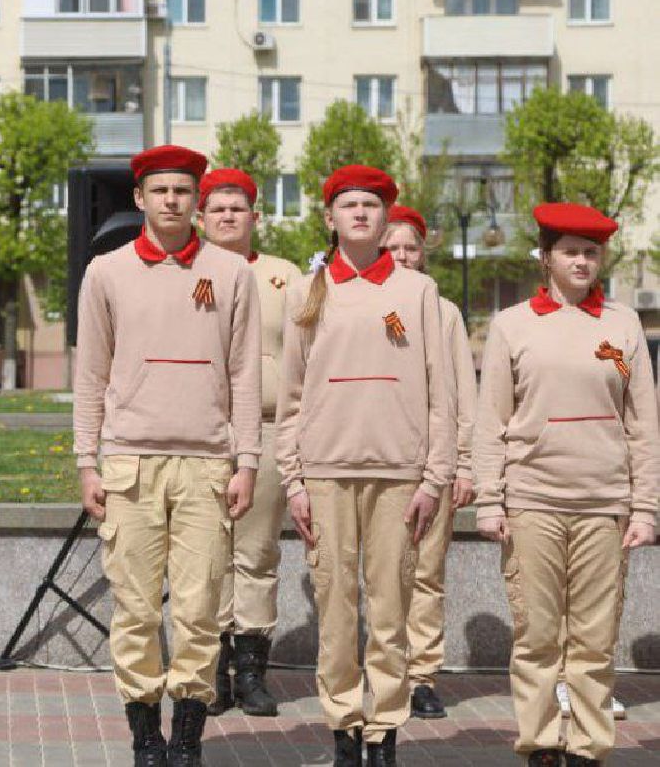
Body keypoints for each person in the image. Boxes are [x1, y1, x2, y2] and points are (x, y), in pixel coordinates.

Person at [75, 145, 262, 767]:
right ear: (140, 199)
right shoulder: (106, 272)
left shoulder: (232, 273)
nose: (172, 201)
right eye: (160, 191)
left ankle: (186, 740)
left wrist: (247, 460)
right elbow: (90, 373)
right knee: (133, 610)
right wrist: (86, 461)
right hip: (130, 463)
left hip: (207, 465)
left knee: (199, 610)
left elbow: (245, 374)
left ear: (197, 200)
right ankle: (145, 739)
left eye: (183, 191)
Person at [275, 166, 452, 767]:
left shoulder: (418, 291)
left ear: (385, 219)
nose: (359, 214)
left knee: (390, 610)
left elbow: (440, 392)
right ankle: (344, 727)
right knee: (335, 608)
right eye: (348, 205)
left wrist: (434, 477)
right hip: (325, 473)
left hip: (399, 474)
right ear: (330, 218)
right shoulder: (307, 291)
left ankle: (386, 729)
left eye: (371, 206)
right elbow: (291, 397)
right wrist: (294, 480)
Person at [474, 202, 658, 767]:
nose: (581, 262)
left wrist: (645, 507)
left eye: (591, 253)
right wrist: (489, 499)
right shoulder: (512, 325)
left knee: (594, 640)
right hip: (533, 503)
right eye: (570, 252)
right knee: (536, 637)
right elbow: (491, 419)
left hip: (604, 504)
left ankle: (587, 747)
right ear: (547, 257)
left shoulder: (623, 324)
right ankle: (541, 744)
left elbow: (643, 423)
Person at [199, 167, 301, 718]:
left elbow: (307, 351)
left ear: (255, 217)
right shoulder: (188, 271)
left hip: (266, 427)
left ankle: (252, 670)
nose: (227, 217)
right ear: (201, 218)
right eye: (217, 209)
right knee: (209, 551)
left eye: (237, 208)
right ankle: (212, 668)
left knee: (257, 551)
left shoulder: (285, 275)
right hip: (205, 429)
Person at [382, 205, 477, 721]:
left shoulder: (445, 313)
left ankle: (421, 675)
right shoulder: (360, 301)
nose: (402, 256)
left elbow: (463, 390)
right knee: (379, 574)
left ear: (423, 252)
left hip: (432, 464)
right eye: (392, 247)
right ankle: (384, 669)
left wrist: (464, 462)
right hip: (377, 461)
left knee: (426, 574)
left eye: (410, 247)